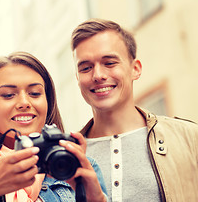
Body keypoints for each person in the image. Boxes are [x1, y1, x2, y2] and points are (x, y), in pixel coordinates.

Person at [0, 51, 107, 202]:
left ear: (48, 102)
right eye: (8, 95)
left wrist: (95, 198)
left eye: (35, 93)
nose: (24, 103)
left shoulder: (79, 169)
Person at [70, 18, 198, 201]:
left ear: (135, 69)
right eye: (86, 68)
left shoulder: (189, 139)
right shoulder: (67, 156)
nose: (97, 75)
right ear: (77, 77)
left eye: (109, 63)